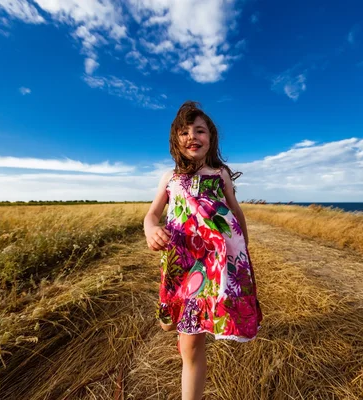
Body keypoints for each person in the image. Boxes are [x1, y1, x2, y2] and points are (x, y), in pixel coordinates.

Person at [143, 101, 263, 400]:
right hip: (181, 261)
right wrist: (150, 229)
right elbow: (152, 214)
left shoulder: (220, 173)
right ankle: (181, 328)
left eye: (199, 130)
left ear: (211, 137)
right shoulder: (169, 178)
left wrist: (243, 255)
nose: (192, 136)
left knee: (191, 345)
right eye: (184, 132)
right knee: (168, 323)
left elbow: (235, 213)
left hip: (214, 264)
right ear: (176, 139)